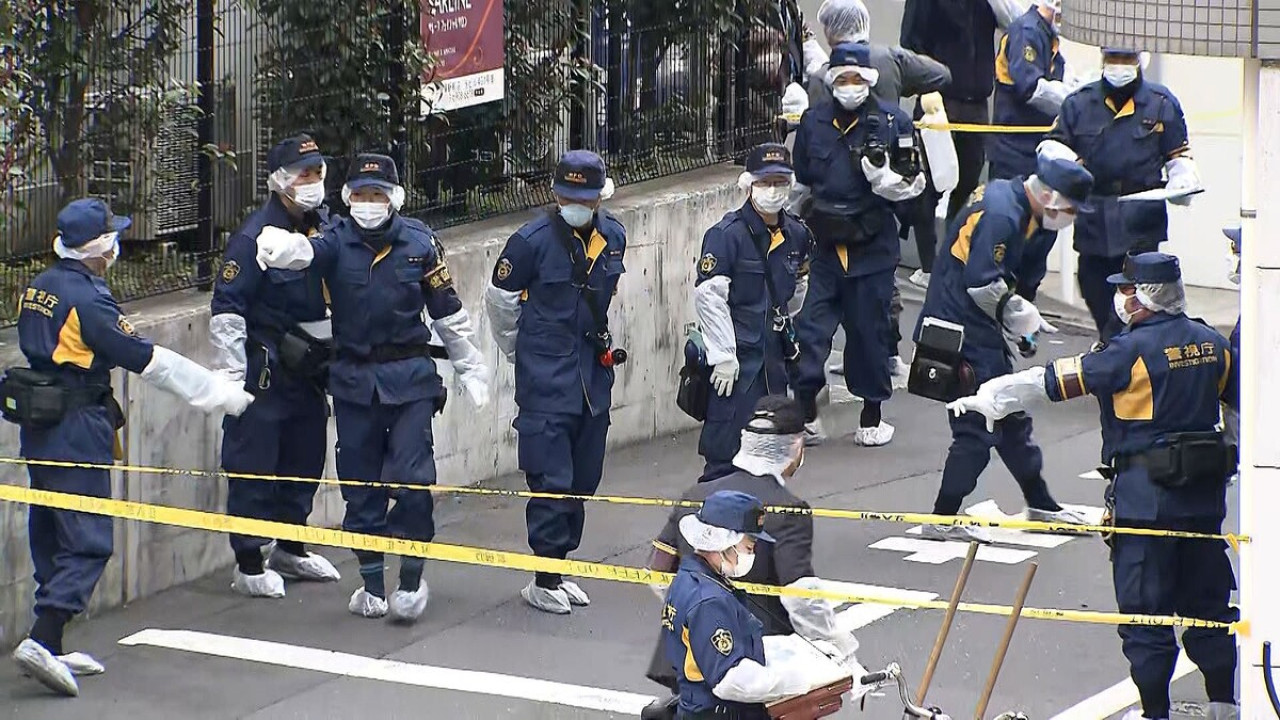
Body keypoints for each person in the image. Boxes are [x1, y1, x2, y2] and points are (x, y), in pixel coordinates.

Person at [946, 251, 1240, 720]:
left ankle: (1155, 713)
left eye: (1126, 289)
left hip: (1146, 504)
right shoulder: (1213, 344)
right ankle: (1225, 706)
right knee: (1210, 611)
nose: (1119, 297)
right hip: (1204, 501)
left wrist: (990, 397)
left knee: (1145, 618)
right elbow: (1238, 411)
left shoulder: (1128, 351)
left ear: (1143, 298)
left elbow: (1052, 381)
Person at [7, 198, 254, 696]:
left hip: (41, 421)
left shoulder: (40, 286)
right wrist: (218, 394)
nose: (118, 245)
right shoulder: (88, 299)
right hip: (75, 423)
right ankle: (42, 636)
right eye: (112, 237)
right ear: (99, 248)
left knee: (52, 526)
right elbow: (146, 359)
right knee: (89, 536)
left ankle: (51, 643)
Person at [254, 154, 491, 622]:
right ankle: (371, 584)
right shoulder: (337, 241)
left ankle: (409, 580)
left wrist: (471, 368)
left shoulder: (420, 243)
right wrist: (280, 246)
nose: (368, 204)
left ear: (395, 199)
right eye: (360, 195)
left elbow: (447, 313)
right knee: (359, 485)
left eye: (377, 195)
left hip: (409, 383)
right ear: (347, 198)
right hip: (354, 382)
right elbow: (307, 254)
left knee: (413, 480)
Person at [641, 395, 861, 720]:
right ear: (796, 447)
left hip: (690, 661)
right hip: (759, 670)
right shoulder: (788, 509)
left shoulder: (697, 494)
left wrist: (691, 625)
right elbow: (803, 601)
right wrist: (842, 658)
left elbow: (656, 572)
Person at [913, 152, 1092, 542]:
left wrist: (1022, 325)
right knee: (976, 427)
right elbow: (980, 282)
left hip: (985, 325)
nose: (1073, 216)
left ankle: (1041, 502)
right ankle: (941, 518)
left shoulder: (1040, 221)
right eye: (1072, 208)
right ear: (1049, 197)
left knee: (1010, 415)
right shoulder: (1001, 211)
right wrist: (1015, 313)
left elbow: (1024, 280)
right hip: (957, 326)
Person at [484, 150, 627, 615]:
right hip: (546, 381)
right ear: (555, 194)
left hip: (592, 378)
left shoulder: (613, 237)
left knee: (583, 480)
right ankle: (543, 577)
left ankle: (559, 567)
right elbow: (501, 305)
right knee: (551, 480)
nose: (576, 205)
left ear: (600, 198)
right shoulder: (529, 243)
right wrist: (519, 353)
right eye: (568, 196)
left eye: (584, 198)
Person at [210, 133, 341, 599]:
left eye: (317, 172)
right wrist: (231, 377)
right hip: (265, 369)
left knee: (305, 457)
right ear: (281, 180)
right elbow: (226, 310)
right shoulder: (254, 238)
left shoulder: (324, 225)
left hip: (309, 366)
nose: (313, 182)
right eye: (303, 174)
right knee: (254, 463)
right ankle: (249, 562)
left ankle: (291, 546)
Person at [802, 0, 952, 379]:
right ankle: (883, 354)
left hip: (849, 195)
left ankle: (873, 359)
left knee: (853, 289)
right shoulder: (892, 59)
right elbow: (940, 75)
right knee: (880, 286)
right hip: (874, 202)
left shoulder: (823, 76)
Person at [792, 42, 926, 447]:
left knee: (868, 333)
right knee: (809, 331)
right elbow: (801, 181)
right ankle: (807, 409)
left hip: (871, 247)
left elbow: (916, 185)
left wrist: (885, 179)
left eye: (857, 79)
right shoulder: (813, 123)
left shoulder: (894, 122)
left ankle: (872, 412)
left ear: (869, 81)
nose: (849, 86)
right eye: (842, 78)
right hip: (824, 247)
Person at [1041, 46, 1202, 341]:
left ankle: (1127, 353)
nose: (1119, 66)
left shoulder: (1160, 102)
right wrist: (1061, 164)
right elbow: (1055, 144)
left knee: (1142, 298)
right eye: (1112, 59)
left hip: (1140, 218)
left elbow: (1178, 156)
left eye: (1126, 59)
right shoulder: (1080, 102)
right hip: (1095, 212)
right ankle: (1111, 346)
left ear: (1139, 60)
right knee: (1093, 285)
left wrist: (1183, 180)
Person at [658, 489, 834, 719]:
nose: (752, 554)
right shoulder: (709, 601)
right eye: (748, 547)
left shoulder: (693, 579)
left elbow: (734, 642)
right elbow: (730, 679)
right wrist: (801, 679)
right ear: (722, 541)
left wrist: (800, 650)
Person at [694, 144, 812, 483]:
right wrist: (723, 355)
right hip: (737, 366)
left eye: (779, 181)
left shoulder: (797, 234)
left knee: (771, 457)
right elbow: (709, 297)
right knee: (725, 457)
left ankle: (756, 533)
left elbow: (797, 289)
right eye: (765, 182)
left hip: (774, 364)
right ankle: (712, 530)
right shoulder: (726, 236)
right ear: (748, 184)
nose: (772, 190)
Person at [900, 0, 998, 228]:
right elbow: (910, 42)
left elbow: (1011, 21)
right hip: (938, 100)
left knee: (969, 185)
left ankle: (953, 255)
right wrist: (929, 81)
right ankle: (929, 262)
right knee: (927, 186)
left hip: (977, 103)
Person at [988, 0, 1068, 181]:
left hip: (1033, 148)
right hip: (1014, 151)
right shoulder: (1027, 32)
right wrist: (1073, 101)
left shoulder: (1046, 35)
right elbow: (1030, 88)